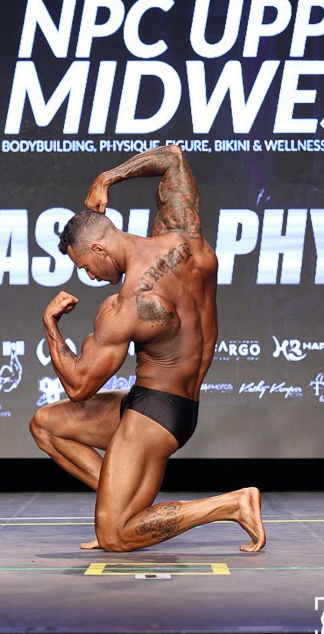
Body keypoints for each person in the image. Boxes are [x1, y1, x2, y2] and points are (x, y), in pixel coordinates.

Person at [30, 144, 266, 553]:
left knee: (115, 537)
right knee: (45, 424)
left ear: (100, 249)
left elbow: (79, 386)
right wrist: (108, 177)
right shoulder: (184, 236)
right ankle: (119, 504)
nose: (89, 276)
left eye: (85, 266)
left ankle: (232, 504)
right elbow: (172, 158)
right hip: (164, 402)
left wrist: (50, 324)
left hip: (155, 415)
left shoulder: (127, 305)